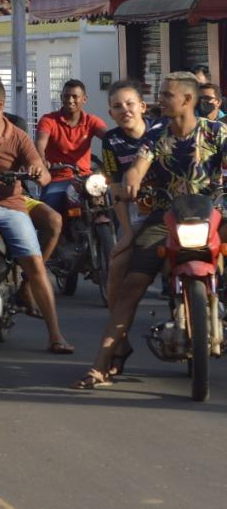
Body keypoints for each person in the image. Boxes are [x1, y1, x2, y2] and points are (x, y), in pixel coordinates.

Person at [74, 72, 227, 389]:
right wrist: (131, 180)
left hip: (213, 213)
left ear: (187, 99)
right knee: (131, 285)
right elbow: (138, 166)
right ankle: (102, 364)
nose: (161, 100)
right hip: (165, 217)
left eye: (167, 95)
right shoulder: (156, 136)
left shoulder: (217, 132)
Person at [0, 74, 73, 353]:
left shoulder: (18, 137)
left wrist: (38, 172)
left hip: (9, 207)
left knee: (34, 265)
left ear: (0, 103)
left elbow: (41, 171)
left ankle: (55, 334)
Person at [99, 80, 165, 315]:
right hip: (142, 216)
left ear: (143, 106)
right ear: (111, 113)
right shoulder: (111, 141)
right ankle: (117, 328)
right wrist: (126, 234)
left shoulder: (162, 130)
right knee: (117, 263)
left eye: (130, 104)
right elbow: (117, 190)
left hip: (174, 210)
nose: (125, 110)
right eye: (117, 106)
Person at [35, 80, 108, 213]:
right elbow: (40, 142)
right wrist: (41, 159)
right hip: (57, 179)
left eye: (75, 96)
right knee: (51, 211)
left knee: (110, 203)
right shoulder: (48, 120)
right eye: (66, 96)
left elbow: (109, 139)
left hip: (85, 178)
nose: (70, 100)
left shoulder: (91, 121)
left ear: (84, 99)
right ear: (61, 98)